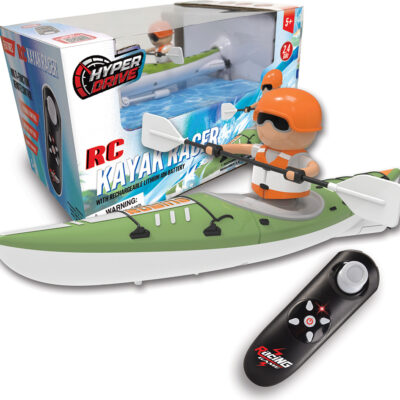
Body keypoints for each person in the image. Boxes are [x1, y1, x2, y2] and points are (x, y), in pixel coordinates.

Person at [206, 88, 322, 200]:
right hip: (259, 194)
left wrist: (302, 173)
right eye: (262, 119)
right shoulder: (262, 150)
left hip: (288, 197)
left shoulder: (297, 157)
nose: (267, 127)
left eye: (280, 123)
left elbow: (314, 168)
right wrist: (220, 148)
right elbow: (241, 148)